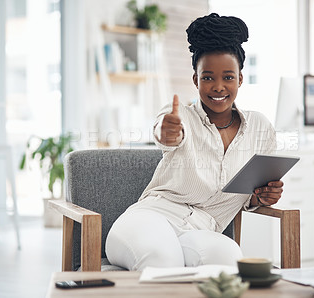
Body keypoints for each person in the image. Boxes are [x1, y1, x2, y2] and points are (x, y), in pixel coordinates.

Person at [105, 13, 284, 271]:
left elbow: (251, 195)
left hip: (203, 230)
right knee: (163, 260)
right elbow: (164, 134)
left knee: (230, 261)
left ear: (240, 79)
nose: (218, 87)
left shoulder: (261, 128)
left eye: (228, 77)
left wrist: (264, 197)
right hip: (151, 217)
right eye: (208, 77)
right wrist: (168, 132)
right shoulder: (180, 116)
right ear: (195, 80)